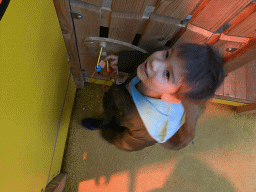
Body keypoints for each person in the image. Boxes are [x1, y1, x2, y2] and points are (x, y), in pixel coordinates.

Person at [82, 43, 226, 152]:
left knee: (111, 119)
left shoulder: (148, 128)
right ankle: (105, 117)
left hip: (121, 119)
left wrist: (109, 134)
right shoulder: (152, 68)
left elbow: (127, 142)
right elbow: (142, 58)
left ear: (171, 97)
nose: (155, 62)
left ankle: (102, 124)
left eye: (167, 74)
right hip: (119, 99)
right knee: (110, 110)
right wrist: (122, 61)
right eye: (167, 55)